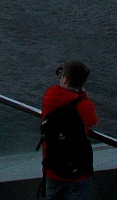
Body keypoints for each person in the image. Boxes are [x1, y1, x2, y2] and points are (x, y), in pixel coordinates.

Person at [40, 61, 98, 200]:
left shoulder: (50, 95)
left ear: (65, 79)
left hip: (52, 169)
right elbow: (92, 122)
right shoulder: (84, 105)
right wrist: (83, 95)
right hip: (79, 173)